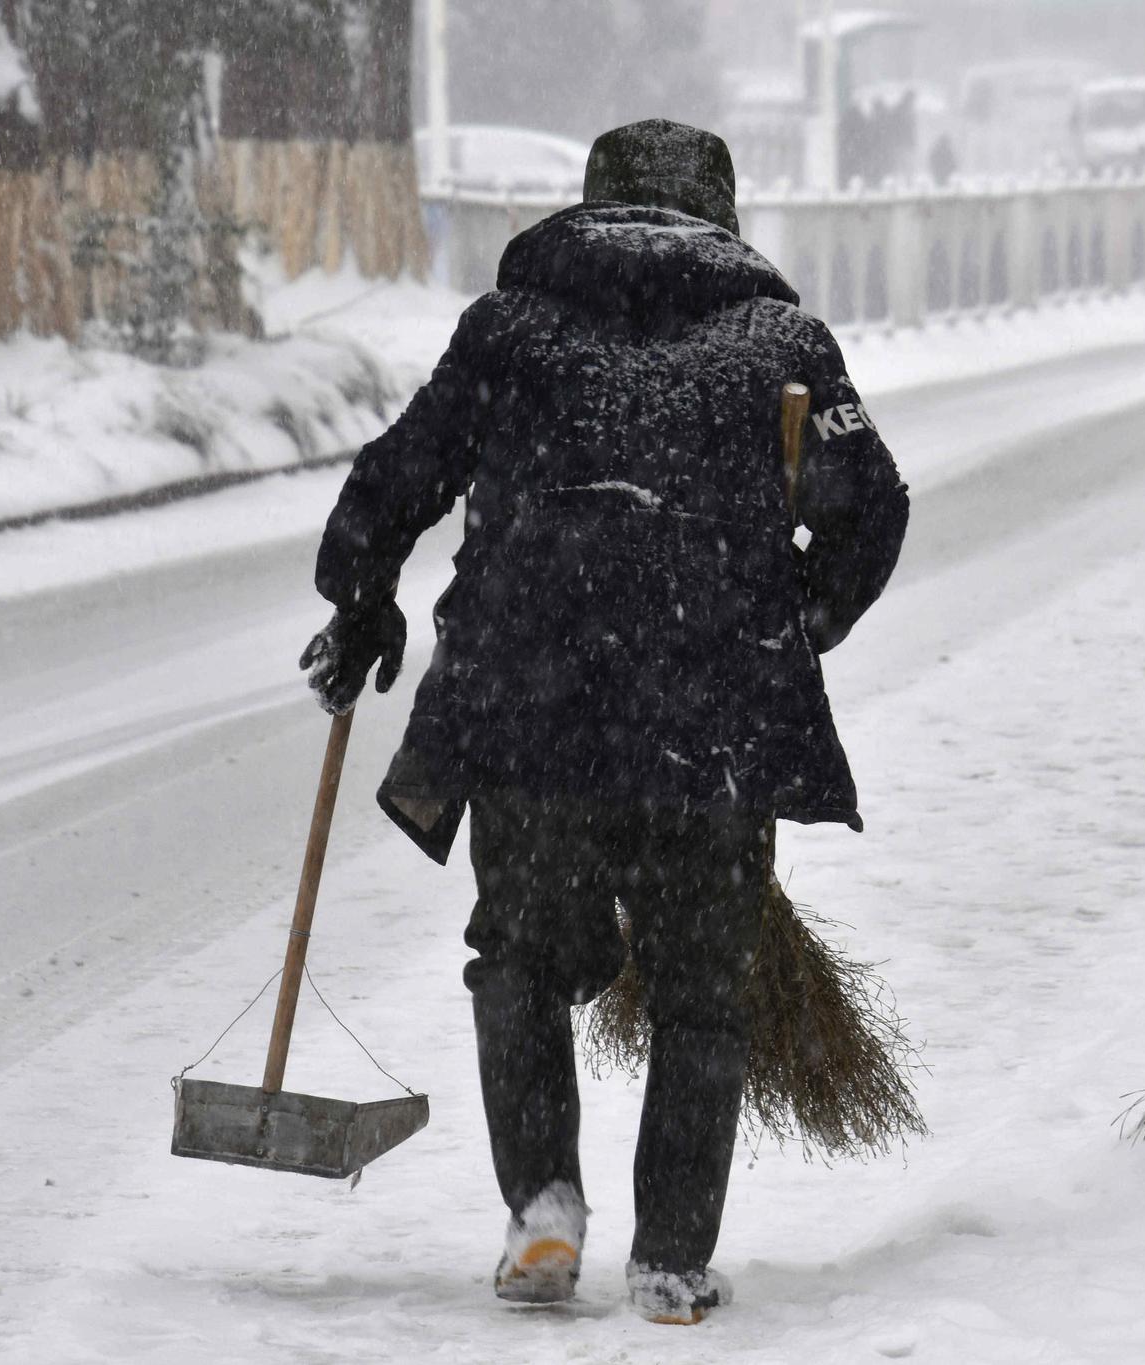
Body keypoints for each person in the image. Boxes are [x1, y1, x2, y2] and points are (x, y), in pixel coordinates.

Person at [299, 118, 908, 1325]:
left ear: (587, 208)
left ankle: (541, 1212)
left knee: (519, 962)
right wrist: (799, 614)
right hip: (711, 720)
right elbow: (870, 508)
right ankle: (672, 1257)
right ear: (719, 217)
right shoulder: (779, 344)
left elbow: (396, 477)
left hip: (532, 713)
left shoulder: (507, 332)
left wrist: (358, 598)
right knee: (699, 992)